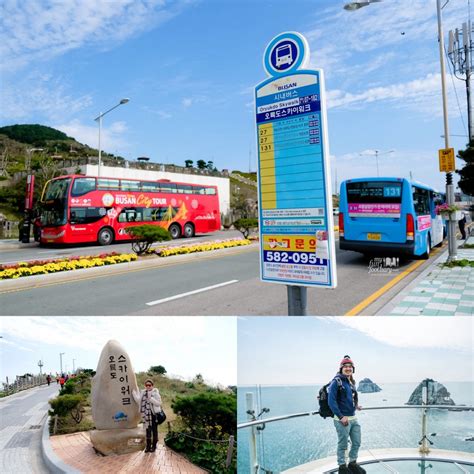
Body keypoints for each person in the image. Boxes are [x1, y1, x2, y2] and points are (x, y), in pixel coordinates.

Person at [328, 355, 365, 474]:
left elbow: (349, 398)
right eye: (346, 367)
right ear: (341, 368)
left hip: (353, 418)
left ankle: (352, 463)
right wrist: (340, 416)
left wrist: (356, 406)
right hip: (341, 419)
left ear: (352, 369)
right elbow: (331, 401)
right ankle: (342, 467)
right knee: (343, 444)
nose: (348, 368)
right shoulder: (336, 381)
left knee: (357, 442)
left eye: (350, 367)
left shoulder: (350, 382)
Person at [133, 379, 162, 453]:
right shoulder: (143, 393)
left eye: (149, 385)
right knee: (148, 431)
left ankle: (154, 446)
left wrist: (151, 399)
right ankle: (148, 447)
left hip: (153, 415)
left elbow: (159, 403)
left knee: (154, 431)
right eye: (146, 385)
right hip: (146, 415)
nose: (148, 386)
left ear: (152, 385)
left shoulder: (155, 393)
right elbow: (139, 401)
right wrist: (134, 394)